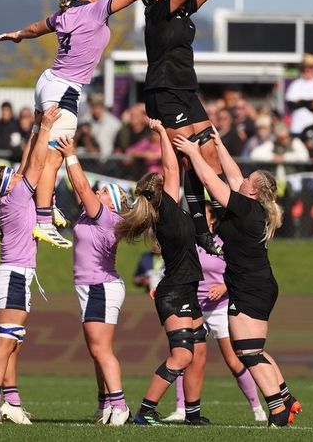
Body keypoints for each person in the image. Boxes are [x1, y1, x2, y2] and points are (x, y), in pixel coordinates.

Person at [0, 0, 182, 250]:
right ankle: (43, 221)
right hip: (64, 88)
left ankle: (44, 203)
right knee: (53, 158)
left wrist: (17, 35)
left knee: (37, 143)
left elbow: (34, 29)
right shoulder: (95, 10)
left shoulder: (63, 15)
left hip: (48, 82)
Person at [174, 125, 302, 427]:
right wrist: (219, 145)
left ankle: (277, 411)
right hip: (258, 284)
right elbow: (232, 177)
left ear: (253, 191)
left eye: (248, 180)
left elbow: (210, 181)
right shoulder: (251, 206)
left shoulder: (245, 208)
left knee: (246, 351)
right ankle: (285, 398)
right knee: (254, 349)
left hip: (249, 287)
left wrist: (193, 153)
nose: (242, 180)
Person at [141, 0, 233, 256]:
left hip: (186, 88)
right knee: (183, 157)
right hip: (164, 89)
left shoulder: (182, 11)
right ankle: (192, 227)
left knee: (207, 153)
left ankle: (211, 220)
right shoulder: (157, 12)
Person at [115, 119, 209, 427]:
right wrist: (161, 134)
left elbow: (171, 172)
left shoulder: (169, 212)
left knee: (197, 353)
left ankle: (193, 414)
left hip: (186, 288)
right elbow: (171, 169)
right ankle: (145, 411)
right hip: (175, 292)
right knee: (182, 355)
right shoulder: (167, 211)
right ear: (161, 193)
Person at [0, 106, 61, 425]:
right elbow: (36, 164)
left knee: (13, 342)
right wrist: (49, 128)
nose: (22, 175)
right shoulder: (15, 198)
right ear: (9, 185)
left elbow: (27, 163)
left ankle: (11, 401)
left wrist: (36, 128)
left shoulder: (11, 197)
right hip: (13, 274)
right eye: (16, 177)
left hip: (12, 274)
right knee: (6, 340)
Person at [160, 204, 266, 423]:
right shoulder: (187, 241)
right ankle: (181, 409)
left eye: (201, 216)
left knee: (235, 360)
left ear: (212, 220)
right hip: (192, 306)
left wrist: (224, 287)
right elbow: (175, 268)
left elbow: (239, 271)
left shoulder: (222, 243)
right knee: (183, 356)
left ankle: (257, 408)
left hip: (219, 309)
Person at [53, 135, 131, 425]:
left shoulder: (106, 217)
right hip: (92, 287)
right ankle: (106, 405)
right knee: (96, 350)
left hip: (100, 286)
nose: (95, 193)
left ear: (110, 201)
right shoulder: (92, 213)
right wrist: (63, 157)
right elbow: (80, 189)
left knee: (101, 349)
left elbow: (83, 186)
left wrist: (71, 154)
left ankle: (120, 406)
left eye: (102, 192)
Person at [285, 54, 313, 136]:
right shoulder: (296, 84)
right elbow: (291, 104)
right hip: (297, 127)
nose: (308, 69)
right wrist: (310, 101)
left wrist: (301, 102)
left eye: (311, 67)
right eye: (306, 67)